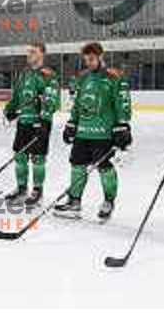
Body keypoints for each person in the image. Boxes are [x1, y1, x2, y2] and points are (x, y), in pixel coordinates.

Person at [55, 42, 132, 221]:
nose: (88, 62)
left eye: (91, 59)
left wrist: (122, 125)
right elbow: (78, 105)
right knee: (76, 166)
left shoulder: (114, 77)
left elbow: (123, 103)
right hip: (83, 132)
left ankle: (108, 201)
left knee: (104, 167)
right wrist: (72, 123)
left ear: (100, 57)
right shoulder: (83, 77)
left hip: (103, 133)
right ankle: (74, 202)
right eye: (86, 59)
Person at [3, 42, 60, 206]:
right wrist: (10, 109)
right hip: (24, 122)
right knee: (19, 156)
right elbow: (17, 96)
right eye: (28, 52)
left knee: (38, 158)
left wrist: (44, 121)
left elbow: (51, 100)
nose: (29, 55)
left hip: (39, 123)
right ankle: (21, 189)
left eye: (33, 52)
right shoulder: (24, 74)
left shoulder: (48, 75)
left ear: (42, 54)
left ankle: (37, 191)